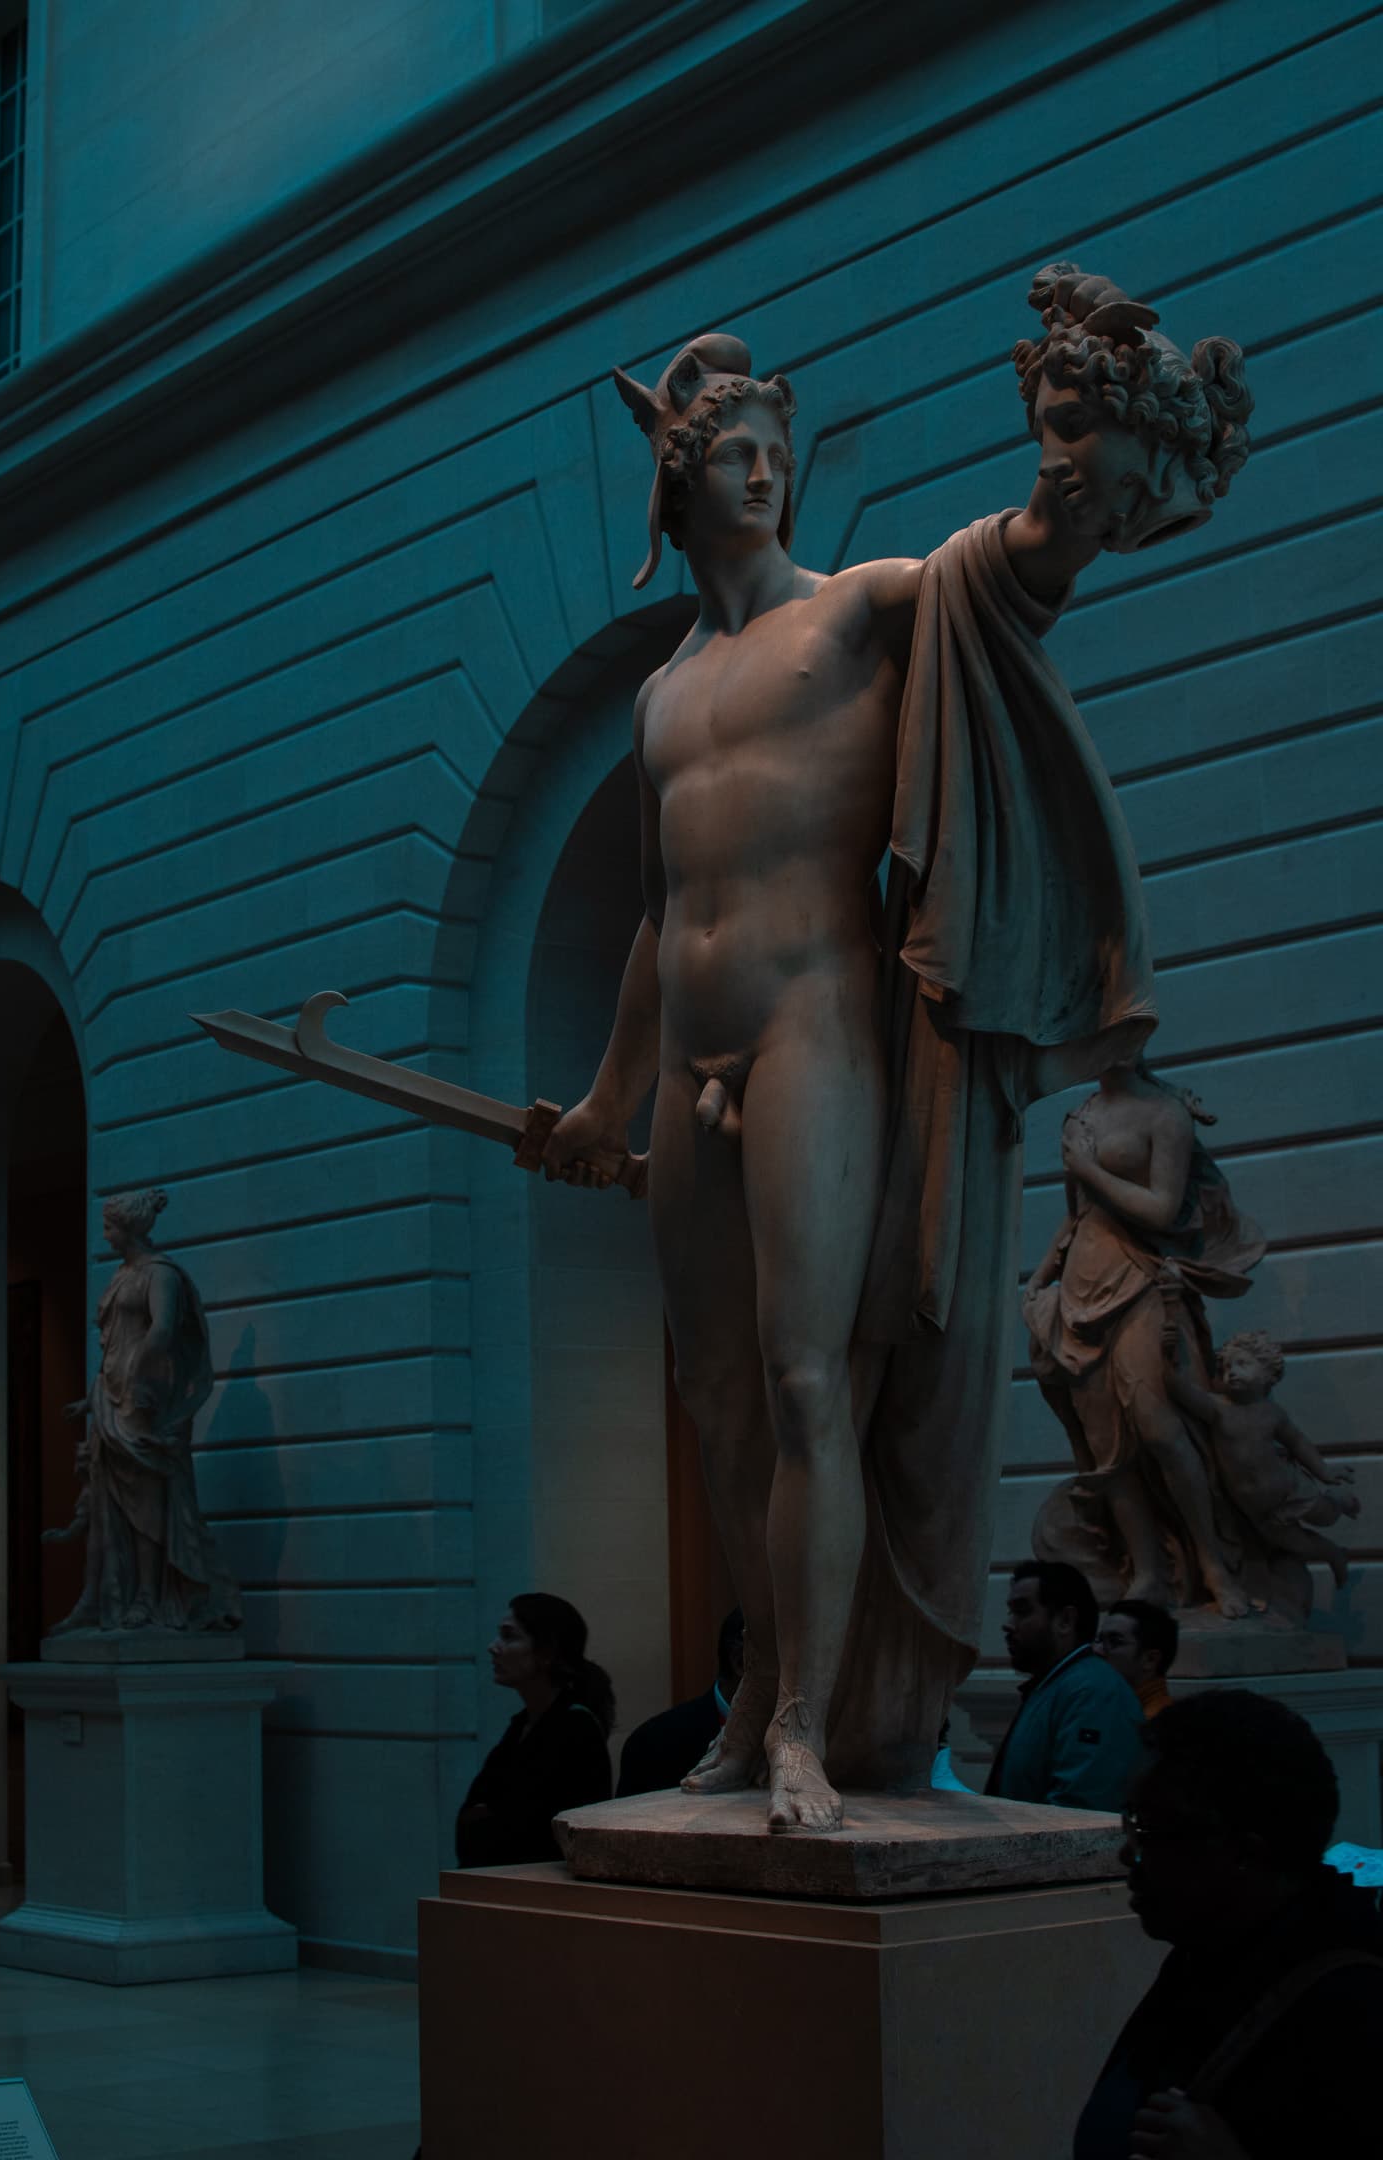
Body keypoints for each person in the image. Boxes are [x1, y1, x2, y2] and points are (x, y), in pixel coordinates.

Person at [542, 265, 1247, 1830]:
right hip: (690, 1064)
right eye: (737, 449)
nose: (766, 466)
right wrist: (604, 1098)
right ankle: (750, 1710)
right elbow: (659, 917)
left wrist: (1075, 455)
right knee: (717, 1399)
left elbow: (1026, 566)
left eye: (775, 443)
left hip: (817, 1035)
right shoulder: (660, 697)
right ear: (677, 469)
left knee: (809, 1381)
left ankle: (803, 1723)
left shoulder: (858, 612)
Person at [1074, 1690, 1383, 2159]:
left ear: (1243, 1853)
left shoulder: (1354, 2013)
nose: (1127, 1853)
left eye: (1150, 1833)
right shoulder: (1208, 1953)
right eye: (1130, 1823)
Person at [1023, 1062, 1264, 1619]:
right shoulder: (1079, 1115)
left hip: (1142, 1275)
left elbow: (1160, 1206)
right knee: (1108, 1445)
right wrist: (1039, 1278)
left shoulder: (1166, 1113)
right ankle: (1148, 1570)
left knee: (1159, 1426)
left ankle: (1212, 1564)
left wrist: (1088, 1166)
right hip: (1082, 1283)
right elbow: (1076, 1214)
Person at [47, 1187, 241, 1637]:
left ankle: (148, 1599)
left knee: (149, 1507)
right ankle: (97, 1600)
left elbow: (163, 1329)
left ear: (129, 1228)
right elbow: (115, 1344)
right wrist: (95, 1393)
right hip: (110, 1399)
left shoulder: (160, 1275)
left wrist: (138, 1379)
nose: (106, 1234)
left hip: (144, 1399)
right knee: (106, 1506)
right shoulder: (120, 1276)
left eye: (110, 1227)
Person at [1165, 1329, 1360, 1587]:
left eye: (1242, 1364)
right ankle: (1333, 1553)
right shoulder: (1219, 1409)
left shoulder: (1272, 1414)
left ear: (1268, 1373)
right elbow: (1179, 1389)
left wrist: (1324, 1471)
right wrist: (1169, 1356)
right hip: (1257, 1510)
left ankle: (1339, 1501)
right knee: (1297, 1544)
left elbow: (1298, 1442)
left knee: (1325, 1516)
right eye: (1226, 1367)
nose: (1231, 1372)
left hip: (1292, 1491)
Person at [454, 1594, 614, 1868]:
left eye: (509, 1636)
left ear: (546, 1652)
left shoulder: (575, 1730)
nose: (494, 1648)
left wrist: (488, 1818)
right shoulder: (522, 1725)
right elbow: (472, 1821)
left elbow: (538, 1836)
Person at [986, 1562, 1144, 1810]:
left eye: (1022, 1611)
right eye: (1011, 1611)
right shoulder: (1057, 1686)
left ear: (1065, 1621)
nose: (1008, 1624)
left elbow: (1078, 1812)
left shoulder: (1093, 1692)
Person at [616, 1609, 746, 1797]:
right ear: (740, 1662)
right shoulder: (653, 1743)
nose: (801, 1679)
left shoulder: (798, 1741)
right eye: (791, 1665)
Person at [1095, 1599, 1178, 1721]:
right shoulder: (1122, 1709)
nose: (1097, 1649)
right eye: (1099, 1640)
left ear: (1150, 1659)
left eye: (1114, 1642)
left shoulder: (1154, 1725)